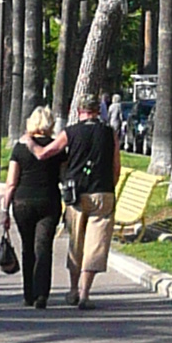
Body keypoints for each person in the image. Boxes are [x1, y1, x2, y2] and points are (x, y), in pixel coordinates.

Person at [58, 91, 120, 308]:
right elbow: (116, 167)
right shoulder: (109, 133)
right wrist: (110, 185)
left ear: (78, 111)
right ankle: (85, 293)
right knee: (96, 245)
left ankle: (73, 289)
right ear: (97, 111)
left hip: (76, 195)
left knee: (76, 243)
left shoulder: (70, 132)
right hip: (103, 193)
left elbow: (53, 152)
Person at [3, 106, 65, 310]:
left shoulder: (20, 148)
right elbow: (63, 175)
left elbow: (11, 181)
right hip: (49, 201)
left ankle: (28, 293)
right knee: (44, 247)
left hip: (23, 202)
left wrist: (5, 209)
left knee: (27, 246)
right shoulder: (56, 149)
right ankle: (42, 294)